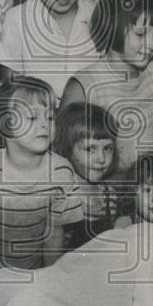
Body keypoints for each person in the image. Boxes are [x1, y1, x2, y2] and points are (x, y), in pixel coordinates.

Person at [0, 77, 84, 272]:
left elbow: (55, 233)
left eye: (49, 117)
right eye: (32, 117)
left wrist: (48, 278)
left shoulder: (61, 172)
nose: (44, 124)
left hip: (31, 276)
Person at [60, 0, 153, 174]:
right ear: (113, 29)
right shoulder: (85, 85)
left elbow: (148, 145)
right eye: (141, 34)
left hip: (147, 187)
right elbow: (63, 153)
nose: (151, 44)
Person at [55, 103, 125, 250]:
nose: (101, 158)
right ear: (66, 148)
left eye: (107, 148)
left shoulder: (109, 195)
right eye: (90, 149)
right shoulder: (61, 197)